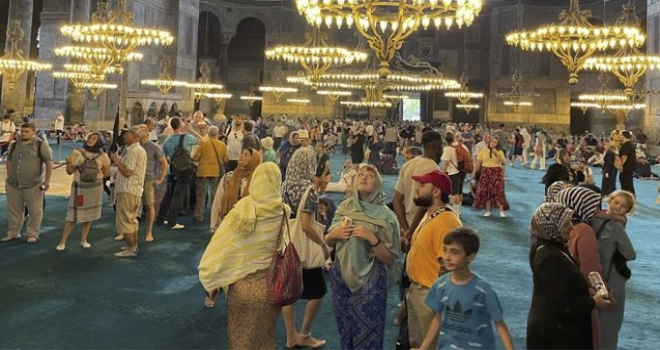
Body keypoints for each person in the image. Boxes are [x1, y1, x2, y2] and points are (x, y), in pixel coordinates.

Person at [198, 163, 285, 349]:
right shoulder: (282, 211)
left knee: (241, 340)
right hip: (271, 287)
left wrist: (212, 277)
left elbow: (222, 245)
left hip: (242, 287)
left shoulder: (242, 210)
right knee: (266, 338)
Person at [324, 164, 400, 350]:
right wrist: (334, 234)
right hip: (341, 278)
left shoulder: (387, 217)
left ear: (378, 183)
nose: (364, 177)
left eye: (370, 175)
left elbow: (390, 258)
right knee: (345, 329)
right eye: (361, 175)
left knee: (369, 335)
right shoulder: (344, 207)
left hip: (370, 283)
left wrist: (372, 238)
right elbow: (328, 241)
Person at [527, 203, 611, 349]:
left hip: (554, 329)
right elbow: (560, 303)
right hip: (556, 335)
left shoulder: (549, 246)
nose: (572, 227)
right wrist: (593, 303)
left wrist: (585, 291)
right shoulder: (550, 258)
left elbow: (561, 287)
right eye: (566, 223)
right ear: (552, 225)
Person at [415, 228, 514, 350]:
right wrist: (423, 348)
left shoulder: (483, 289)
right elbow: (437, 318)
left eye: (454, 252)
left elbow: (499, 324)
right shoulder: (440, 285)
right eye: (445, 250)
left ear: (471, 257)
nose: (447, 257)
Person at [406, 170, 462, 350]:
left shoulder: (446, 222)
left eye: (422, 186)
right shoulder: (433, 214)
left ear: (436, 191)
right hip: (419, 291)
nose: (417, 189)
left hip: (430, 296)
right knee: (418, 344)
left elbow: (451, 267)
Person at [281, 147, 329, 349]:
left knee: (289, 291)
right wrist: (323, 244)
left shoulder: (285, 186)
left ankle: (290, 335)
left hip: (287, 243)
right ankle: (304, 333)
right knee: (318, 290)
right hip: (303, 248)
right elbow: (306, 225)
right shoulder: (308, 191)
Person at [555, 185, 606, 349]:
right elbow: (591, 270)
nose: (595, 212)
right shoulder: (583, 230)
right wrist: (604, 295)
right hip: (581, 299)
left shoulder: (552, 226)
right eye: (593, 206)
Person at [591, 190, 636, 350]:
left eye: (623, 206)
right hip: (611, 277)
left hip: (592, 275)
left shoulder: (593, 218)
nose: (618, 208)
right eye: (617, 203)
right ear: (609, 201)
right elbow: (630, 254)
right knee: (610, 323)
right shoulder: (616, 226)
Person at [56, 133, 111, 251]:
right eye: (90, 137)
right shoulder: (79, 152)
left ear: (100, 141)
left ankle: (84, 239)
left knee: (88, 216)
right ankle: (62, 241)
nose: (91, 140)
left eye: (94, 138)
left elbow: (106, 173)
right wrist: (70, 163)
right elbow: (70, 171)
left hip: (94, 188)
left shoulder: (104, 156)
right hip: (79, 187)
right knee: (72, 216)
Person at [1, 122, 53, 243]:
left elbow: (49, 163)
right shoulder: (14, 144)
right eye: (22, 131)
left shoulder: (41, 144)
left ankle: (32, 234)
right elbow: (9, 160)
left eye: (26, 131)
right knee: (14, 210)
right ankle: (13, 233)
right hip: (13, 184)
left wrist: (47, 182)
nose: (23, 133)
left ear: (34, 132)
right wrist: (9, 177)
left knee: (35, 210)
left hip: (34, 184)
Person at [394, 131, 442, 242]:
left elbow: (396, 201)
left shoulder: (407, 165)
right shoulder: (434, 169)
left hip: (408, 222)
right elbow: (424, 205)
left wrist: (406, 229)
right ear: (437, 147)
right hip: (425, 225)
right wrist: (411, 231)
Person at [109, 126, 147, 257]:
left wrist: (115, 160)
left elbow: (127, 172)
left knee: (125, 221)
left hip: (127, 190)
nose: (124, 136)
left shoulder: (133, 151)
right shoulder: (137, 150)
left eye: (127, 134)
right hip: (134, 190)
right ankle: (133, 246)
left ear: (134, 136)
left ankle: (130, 248)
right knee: (132, 220)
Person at [158, 117, 202, 229]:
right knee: (177, 195)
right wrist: (191, 130)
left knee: (169, 194)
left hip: (173, 169)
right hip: (185, 169)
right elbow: (203, 141)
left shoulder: (167, 141)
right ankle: (172, 221)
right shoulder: (187, 137)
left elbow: (165, 157)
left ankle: (160, 218)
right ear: (180, 125)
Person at [209, 148, 262, 235]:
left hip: (248, 230)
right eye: (241, 154)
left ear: (254, 160)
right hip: (227, 226)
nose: (241, 156)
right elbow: (217, 201)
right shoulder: (228, 177)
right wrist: (213, 225)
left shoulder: (258, 180)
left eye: (246, 155)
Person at [137, 124, 168, 243]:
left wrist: (160, 178)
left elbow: (164, 163)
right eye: (139, 129)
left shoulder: (153, 147)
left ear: (148, 133)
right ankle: (126, 231)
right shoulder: (132, 146)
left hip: (148, 179)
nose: (141, 131)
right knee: (131, 206)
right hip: (134, 180)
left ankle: (149, 232)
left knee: (150, 205)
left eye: (143, 129)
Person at [192, 126, 228, 223]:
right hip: (216, 171)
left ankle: (198, 216)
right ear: (217, 134)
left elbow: (195, 158)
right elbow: (226, 160)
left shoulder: (204, 144)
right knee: (215, 194)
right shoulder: (222, 145)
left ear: (208, 133)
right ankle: (215, 215)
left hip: (203, 171)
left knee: (201, 195)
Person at [472, 137, 509, 217]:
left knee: (498, 191)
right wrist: (474, 172)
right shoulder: (483, 151)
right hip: (486, 172)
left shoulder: (500, 152)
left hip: (496, 172)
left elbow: (503, 162)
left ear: (497, 144)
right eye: (492, 141)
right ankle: (488, 211)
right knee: (487, 191)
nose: (493, 143)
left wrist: (496, 153)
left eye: (495, 142)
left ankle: (501, 211)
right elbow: (478, 163)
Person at [441, 132, 469, 216]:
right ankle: (459, 210)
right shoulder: (462, 146)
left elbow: (446, 163)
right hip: (463, 171)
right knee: (460, 191)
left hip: (453, 172)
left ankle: (455, 213)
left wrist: (442, 173)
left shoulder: (447, 149)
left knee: (454, 193)